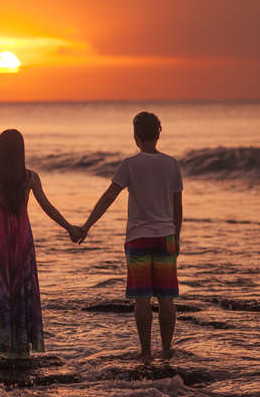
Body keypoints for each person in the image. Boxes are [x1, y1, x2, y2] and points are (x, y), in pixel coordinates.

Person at [77, 112, 183, 364]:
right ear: (159, 133)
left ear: (135, 136)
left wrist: (86, 225)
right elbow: (177, 206)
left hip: (138, 239)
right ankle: (166, 350)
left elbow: (108, 197)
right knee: (167, 298)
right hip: (166, 237)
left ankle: (146, 352)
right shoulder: (172, 164)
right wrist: (176, 238)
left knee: (142, 299)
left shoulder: (130, 165)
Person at [0, 129, 83, 359]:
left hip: (0, 240)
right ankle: (23, 346)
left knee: (3, 290)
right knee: (25, 288)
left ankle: (6, 346)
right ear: (21, 151)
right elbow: (47, 207)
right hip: (23, 239)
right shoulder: (30, 177)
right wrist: (69, 228)